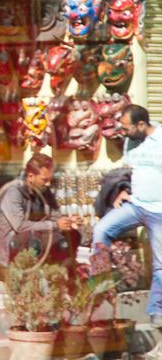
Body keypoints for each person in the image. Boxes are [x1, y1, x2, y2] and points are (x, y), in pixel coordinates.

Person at [93, 104, 162, 326]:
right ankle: (102, 287)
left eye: (126, 128)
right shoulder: (131, 142)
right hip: (136, 205)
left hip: (159, 210)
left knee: (161, 264)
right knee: (101, 230)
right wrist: (125, 190)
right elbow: (132, 171)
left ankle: (156, 312)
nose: (123, 132)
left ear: (141, 124)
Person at [0, 153, 77, 269]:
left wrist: (68, 221)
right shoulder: (13, 192)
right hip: (5, 250)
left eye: (50, 179)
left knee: (72, 235)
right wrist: (54, 225)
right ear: (31, 176)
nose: (48, 184)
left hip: (28, 244)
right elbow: (20, 226)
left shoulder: (42, 188)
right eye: (44, 180)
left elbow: (54, 214)